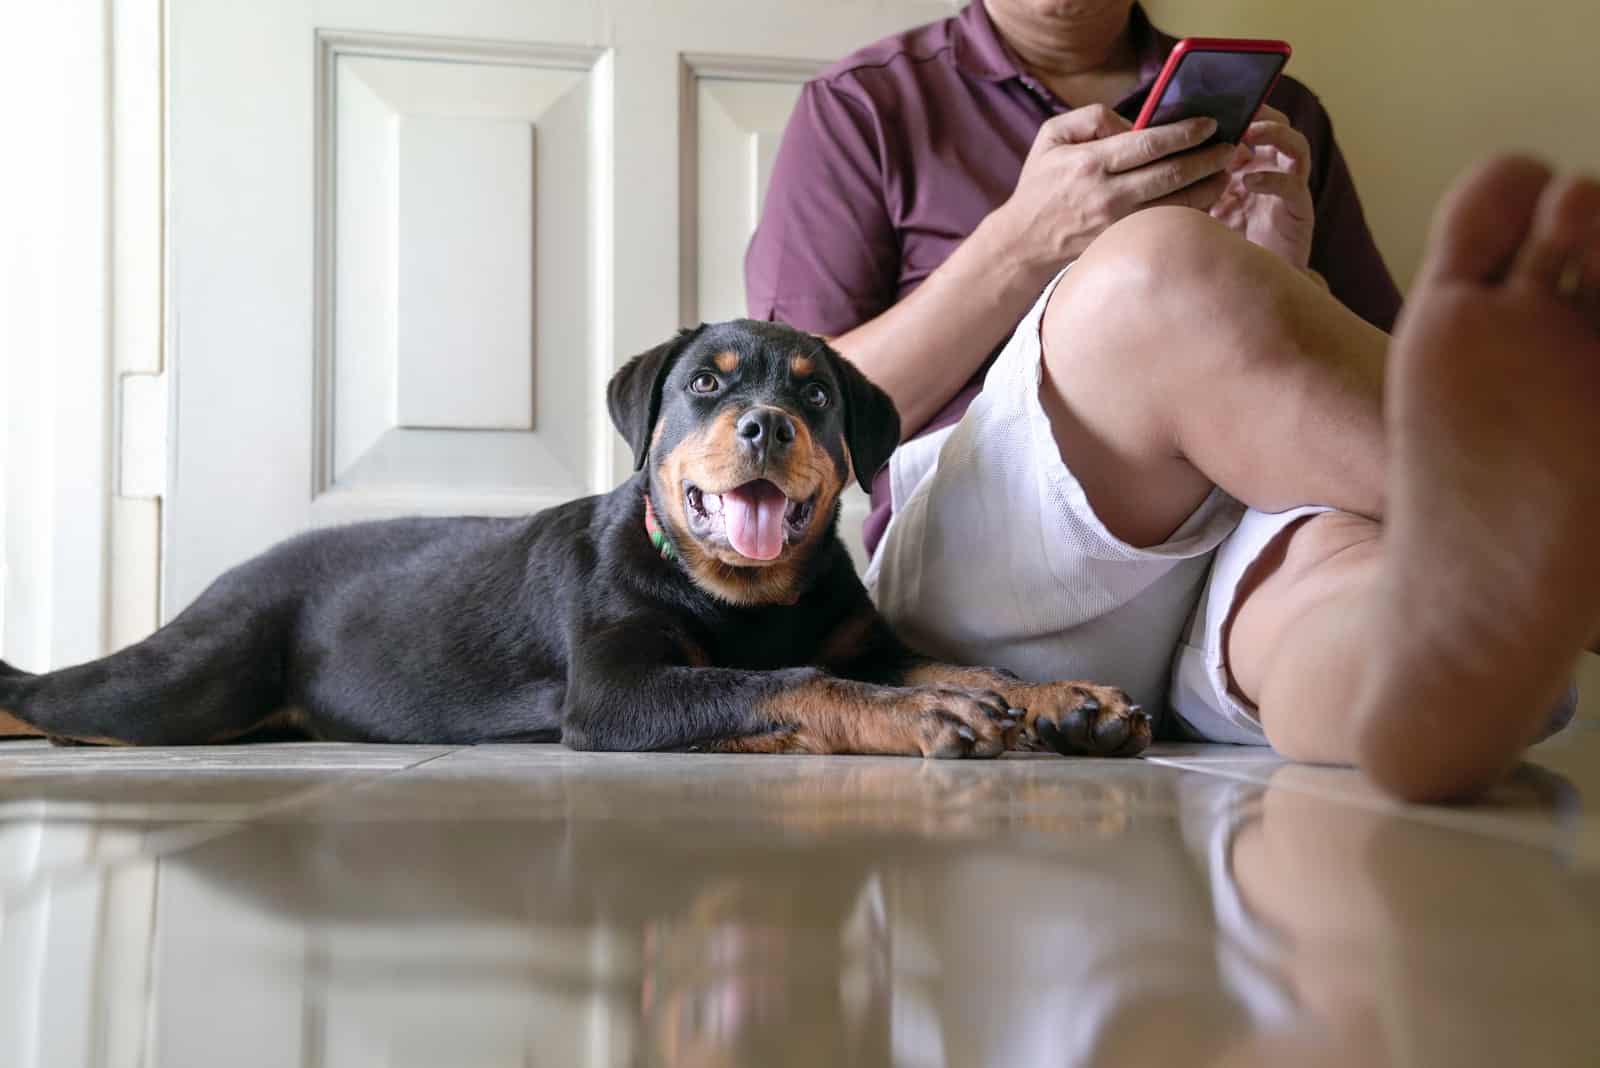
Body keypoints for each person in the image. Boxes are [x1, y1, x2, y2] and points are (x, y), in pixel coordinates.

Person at [746, 0, 1600, 802]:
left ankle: (1430, 704)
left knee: (1372, 581)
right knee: (1156, 273)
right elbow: (791, 426)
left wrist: (1280, 277)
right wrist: (1022, 244)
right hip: (999, 576)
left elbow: (1377, 376)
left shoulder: (1279, 109)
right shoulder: (867, 105)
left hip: (1246, 515)